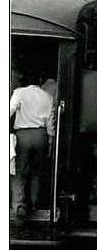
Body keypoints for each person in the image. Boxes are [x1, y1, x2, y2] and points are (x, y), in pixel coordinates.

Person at [10, 73, 55, 222]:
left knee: (19, 171)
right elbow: (50, 122)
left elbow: (10, 110)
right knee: (37, 172)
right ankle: (34, 203)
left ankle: (19, 206)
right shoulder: (47, 96)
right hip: (40, 135)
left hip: (23, 135)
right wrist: (50, 142)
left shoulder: (19, 92)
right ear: (40, 81)